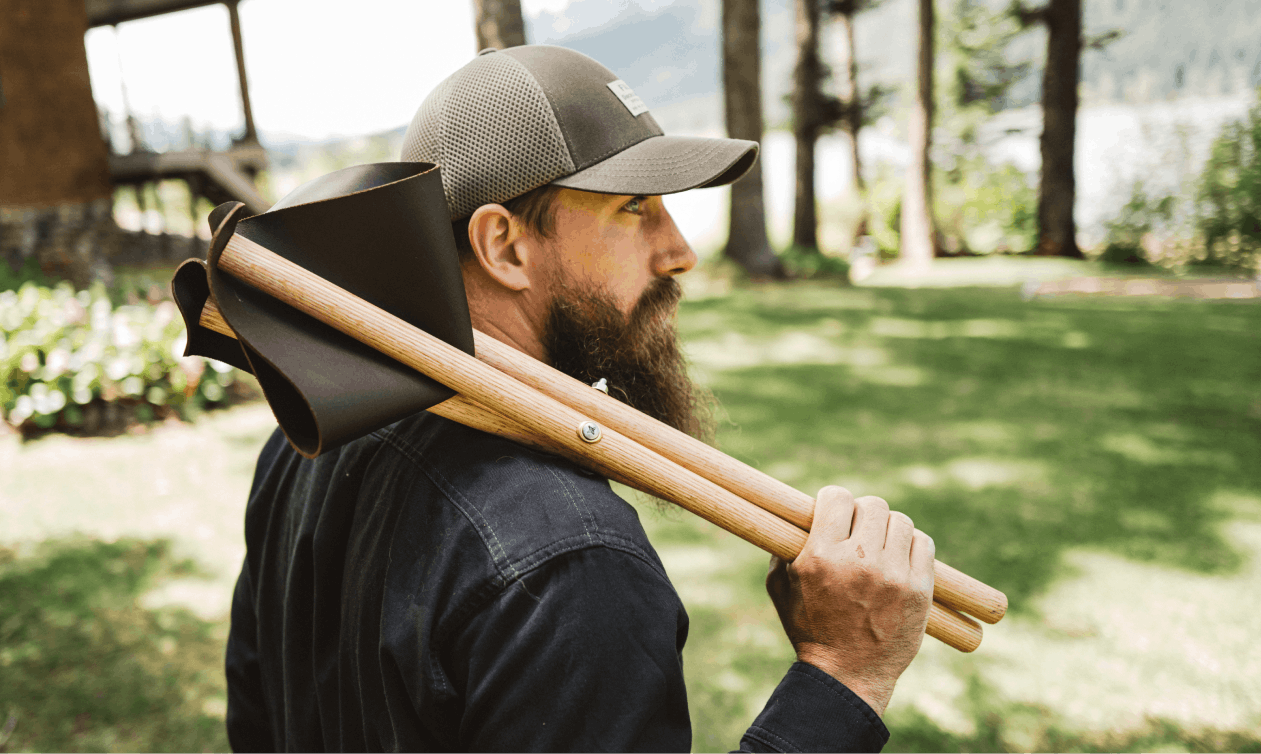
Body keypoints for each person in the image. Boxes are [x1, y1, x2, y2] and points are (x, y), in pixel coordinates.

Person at [225, 44, 935, 753]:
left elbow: (258, 720)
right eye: (636, 207)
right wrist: (842, 677)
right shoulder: (572, 563)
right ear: (503, 246)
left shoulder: (308, 439)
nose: (680, 249)